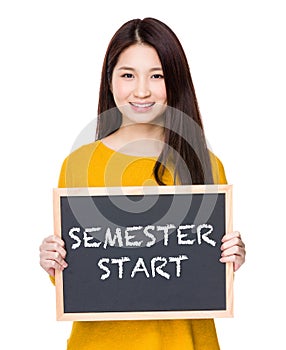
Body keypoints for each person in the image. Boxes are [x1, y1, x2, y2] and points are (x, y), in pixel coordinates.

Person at [39, 17, 246, 350]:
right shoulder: (78, 165)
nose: (141, 90)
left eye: (157, 75)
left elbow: (205, 273)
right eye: (127, 75)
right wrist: (54, 262)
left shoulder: (205, 164)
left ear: (175, 81)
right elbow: (81, 277)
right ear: (110, 81)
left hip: (185, 342)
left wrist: (230, 258)